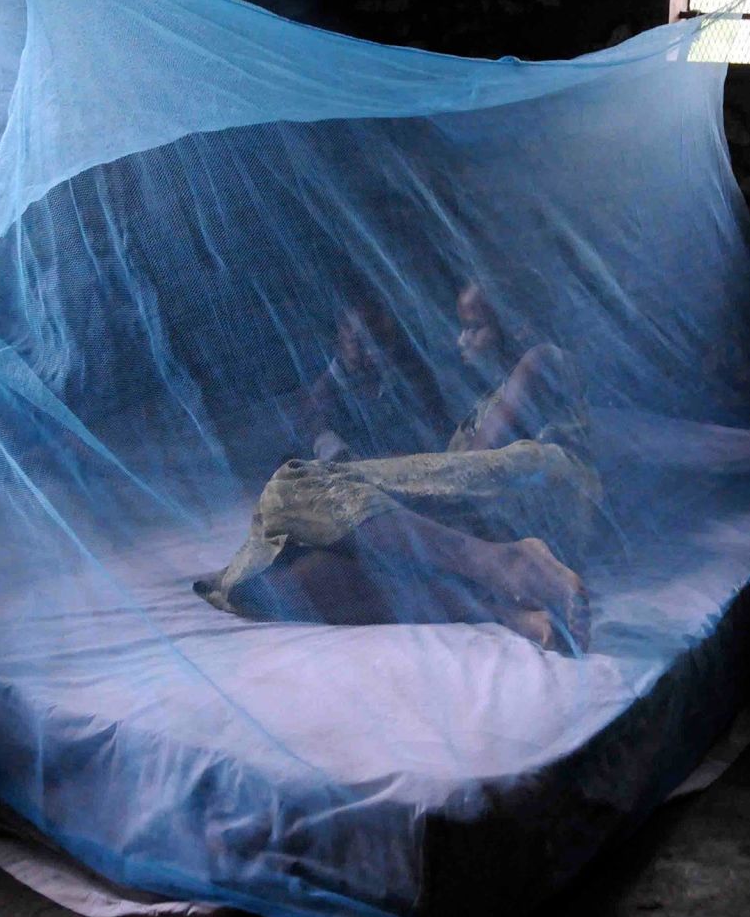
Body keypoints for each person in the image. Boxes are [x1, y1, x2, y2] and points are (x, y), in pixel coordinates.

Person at [194, 278, 601, 652]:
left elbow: (468, 467)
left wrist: (385, 479)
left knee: (295, 485)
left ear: (521, 327)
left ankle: (502, 563)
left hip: (524, 485)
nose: (462, 339)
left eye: (475, 326)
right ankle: (506, 610)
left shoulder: (541, 358)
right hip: (499, 512)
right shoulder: (488, 394)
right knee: (278, 588)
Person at [289, 291, 444, 464]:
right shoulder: (319, 402)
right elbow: (337, 462)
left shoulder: (410, 379)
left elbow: (438, 436)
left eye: (380, 341)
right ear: (340, 338)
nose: (372, 353)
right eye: (360, 343)